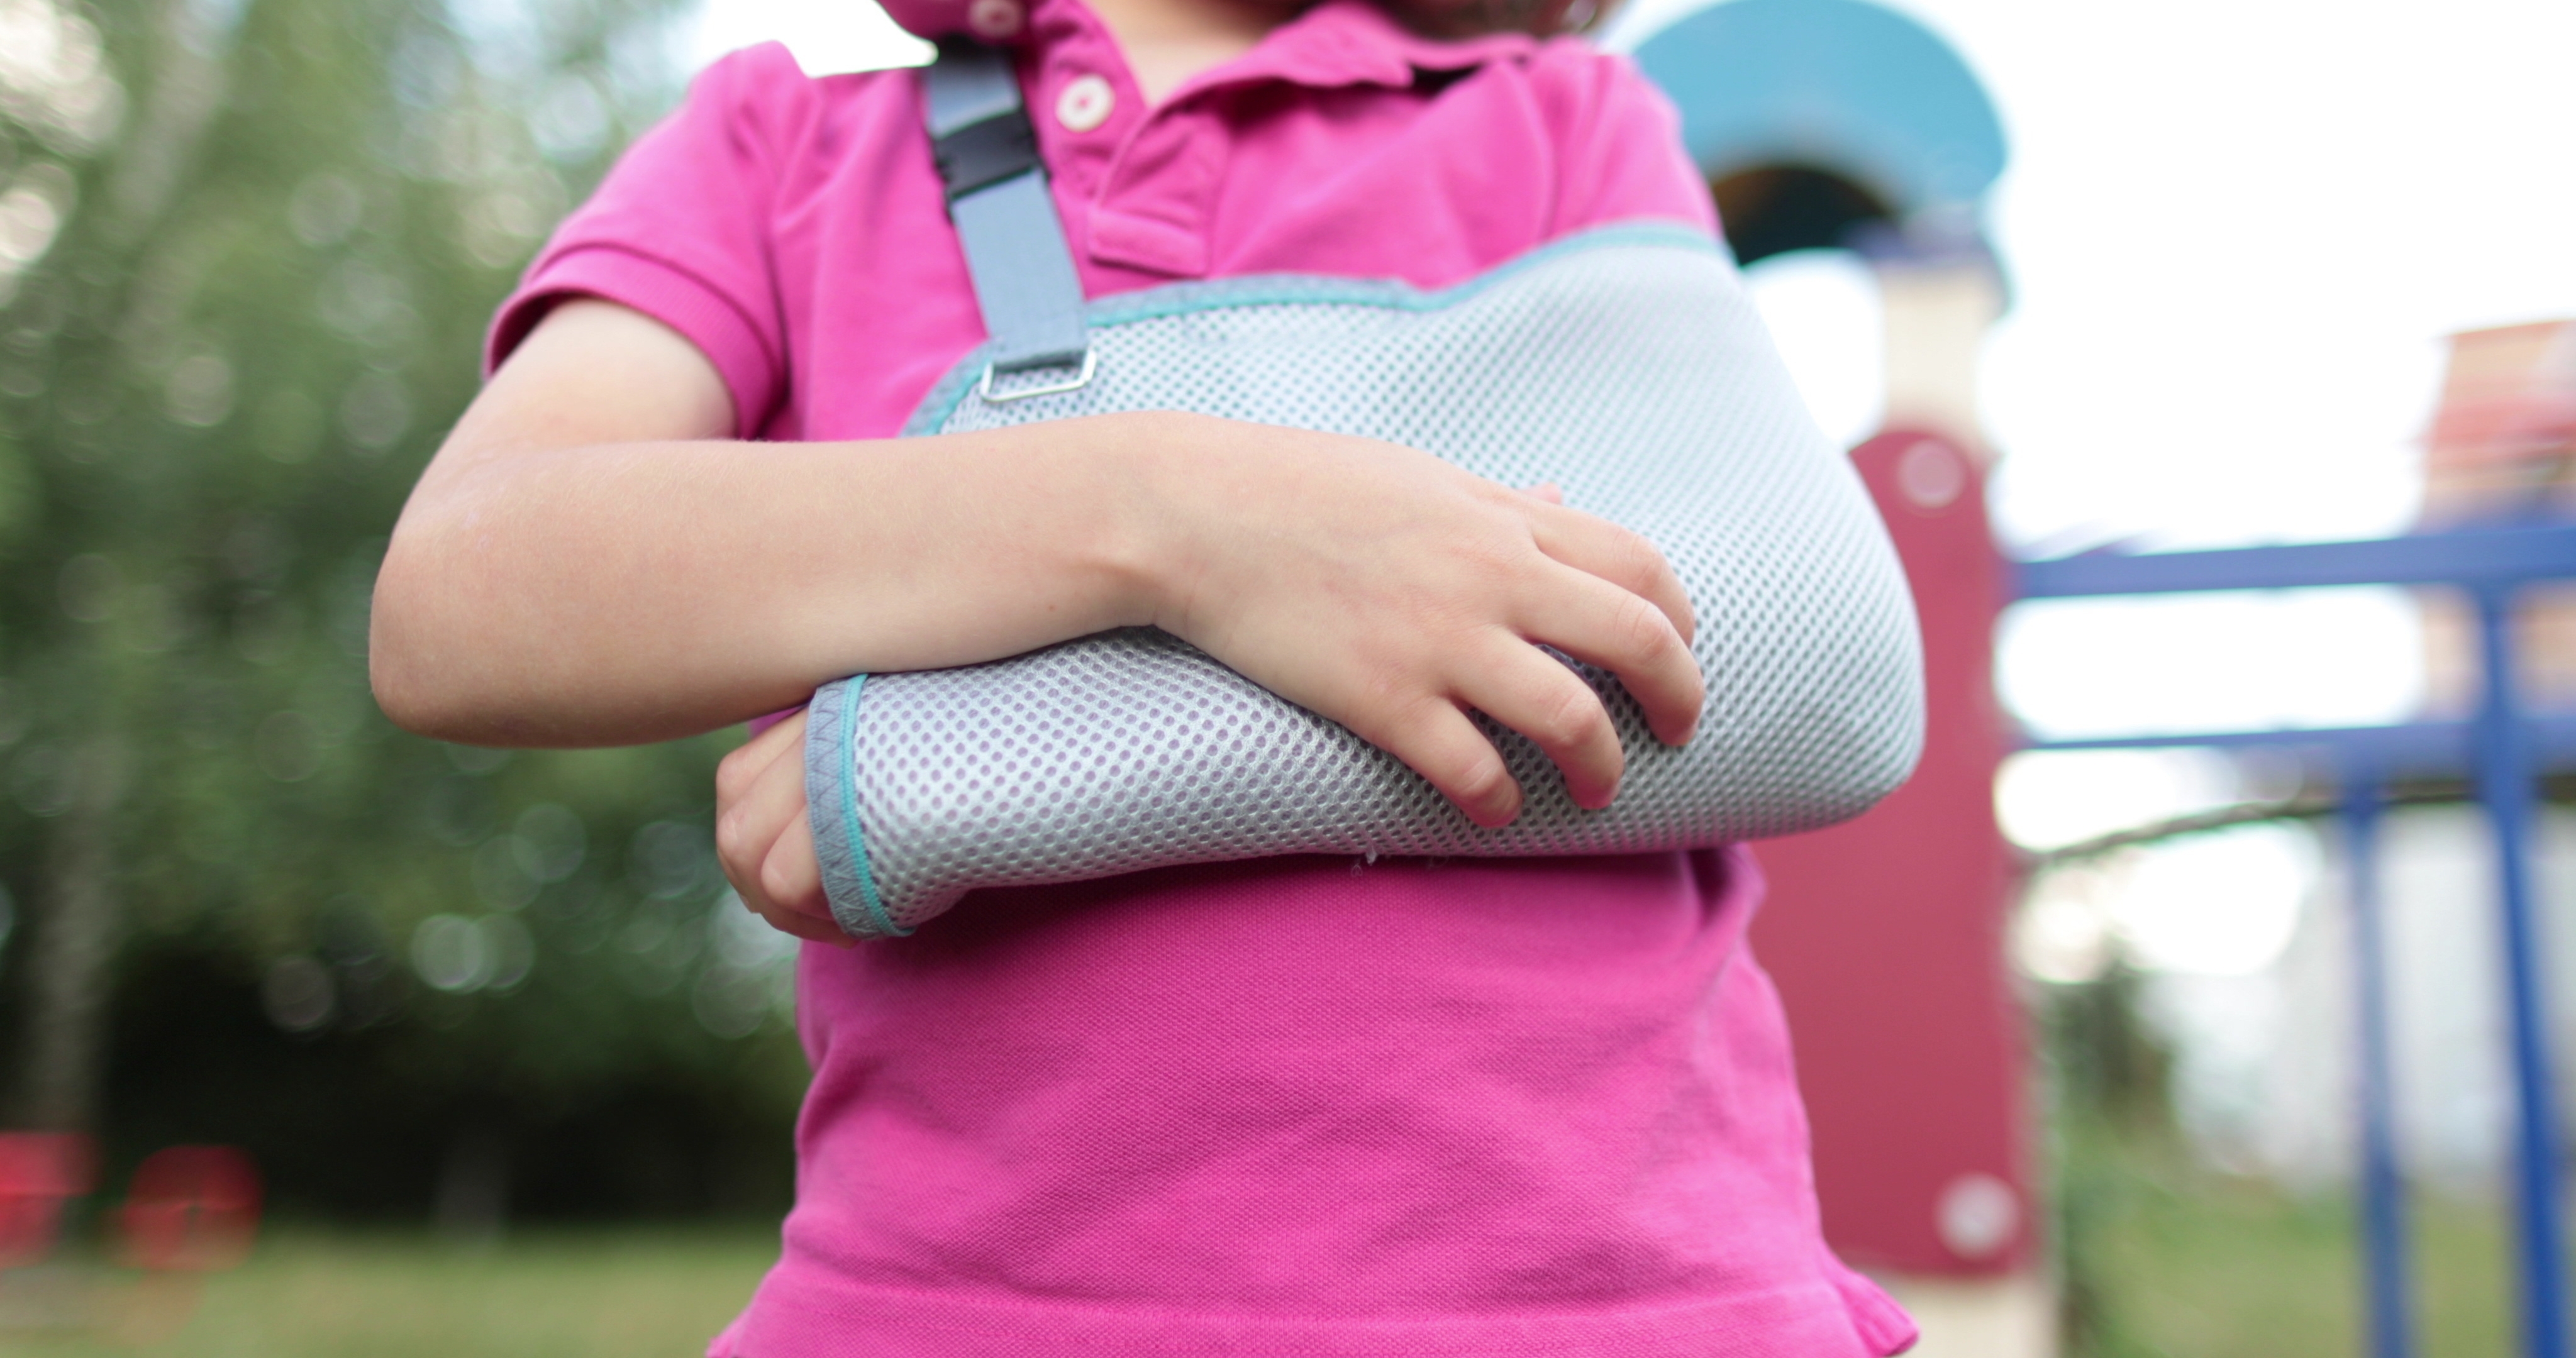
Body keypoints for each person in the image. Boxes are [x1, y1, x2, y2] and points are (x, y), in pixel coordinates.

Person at [369, 0, 1921, 1350]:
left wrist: (937, 765)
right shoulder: (782, 147)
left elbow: (1805, 671)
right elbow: (463, 596)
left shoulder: (1556, 117)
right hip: (943, 1310)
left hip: (1631, 1310)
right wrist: (1169, 521)